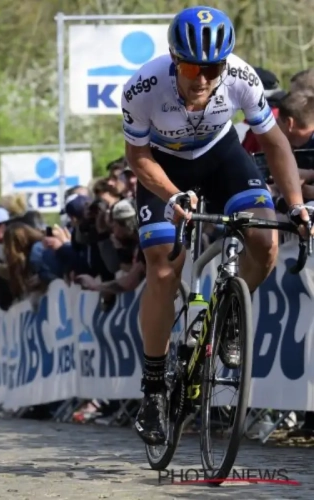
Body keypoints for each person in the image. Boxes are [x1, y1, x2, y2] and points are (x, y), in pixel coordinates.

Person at [120, 7, 313, 446]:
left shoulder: (242, 78)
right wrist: (171, 195)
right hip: (162, 166)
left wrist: (297, 204)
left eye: (212, 68)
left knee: (265, 239)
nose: (202, 78)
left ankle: (228, 319)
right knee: (164, 267)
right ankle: (153, 390)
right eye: (191, 67)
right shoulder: (142, 88)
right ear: (174, 59)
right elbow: (136, 158)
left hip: (221, 156)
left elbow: (274, 142)